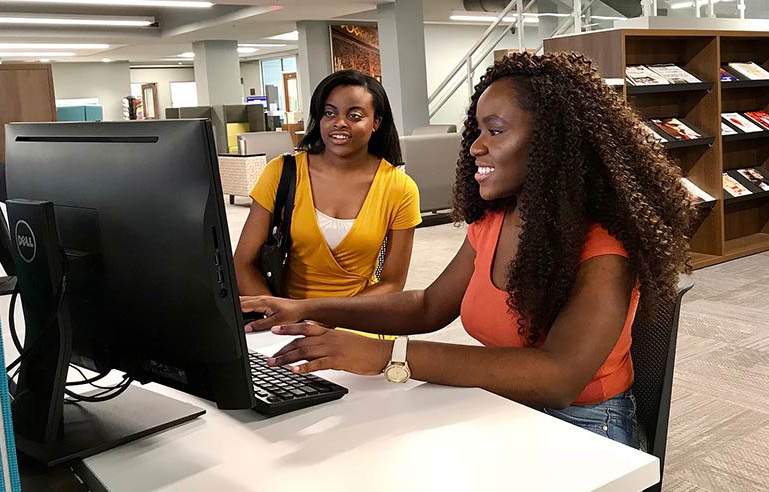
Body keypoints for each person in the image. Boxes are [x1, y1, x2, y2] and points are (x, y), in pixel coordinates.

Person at [242, 52, 692, 447]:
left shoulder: (604, 244)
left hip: (584, 425)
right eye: (477, 130)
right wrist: (303, 308)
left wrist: (387, 356)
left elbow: (559, 377)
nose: (475, 145)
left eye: (494, 131)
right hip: (498, 405)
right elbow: (428, 305)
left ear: (551, 142)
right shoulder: (494, 218)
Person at [233, 70, 422, 337]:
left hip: (360, 322)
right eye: (329, 113)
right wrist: (281, 317)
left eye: (354, 116)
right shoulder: (282, 172)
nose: (339, 123)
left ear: (376, 122)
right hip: (287, 323)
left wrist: (328, 320)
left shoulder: (400, 189)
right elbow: (242, 262)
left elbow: (392, 283)